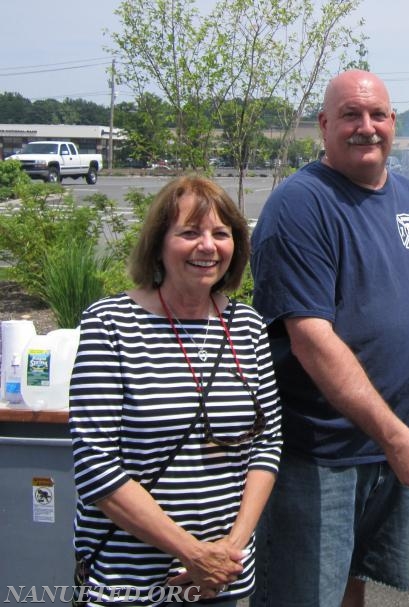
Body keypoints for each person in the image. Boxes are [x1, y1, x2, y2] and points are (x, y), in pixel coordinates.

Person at [248, 69, 409, 607]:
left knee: (352, 583)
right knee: (304, 595)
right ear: (323, 125)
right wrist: (398, 438)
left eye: (378, 115)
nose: (367, 127)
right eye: (350, 115)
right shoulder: (301, 205)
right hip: (320, 453)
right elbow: (312, 340)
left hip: (388, 448)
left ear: (394, 123)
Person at [69, 176, 282, 607]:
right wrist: (193, 552)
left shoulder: (247, 326)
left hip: (222, 578)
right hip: (128, 582)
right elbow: (95, 463)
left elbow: (267, 443)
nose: (208, 246)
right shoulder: (111, 324)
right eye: (190, 232)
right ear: (158, 243)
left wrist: (229, 551)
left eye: (221, 234)